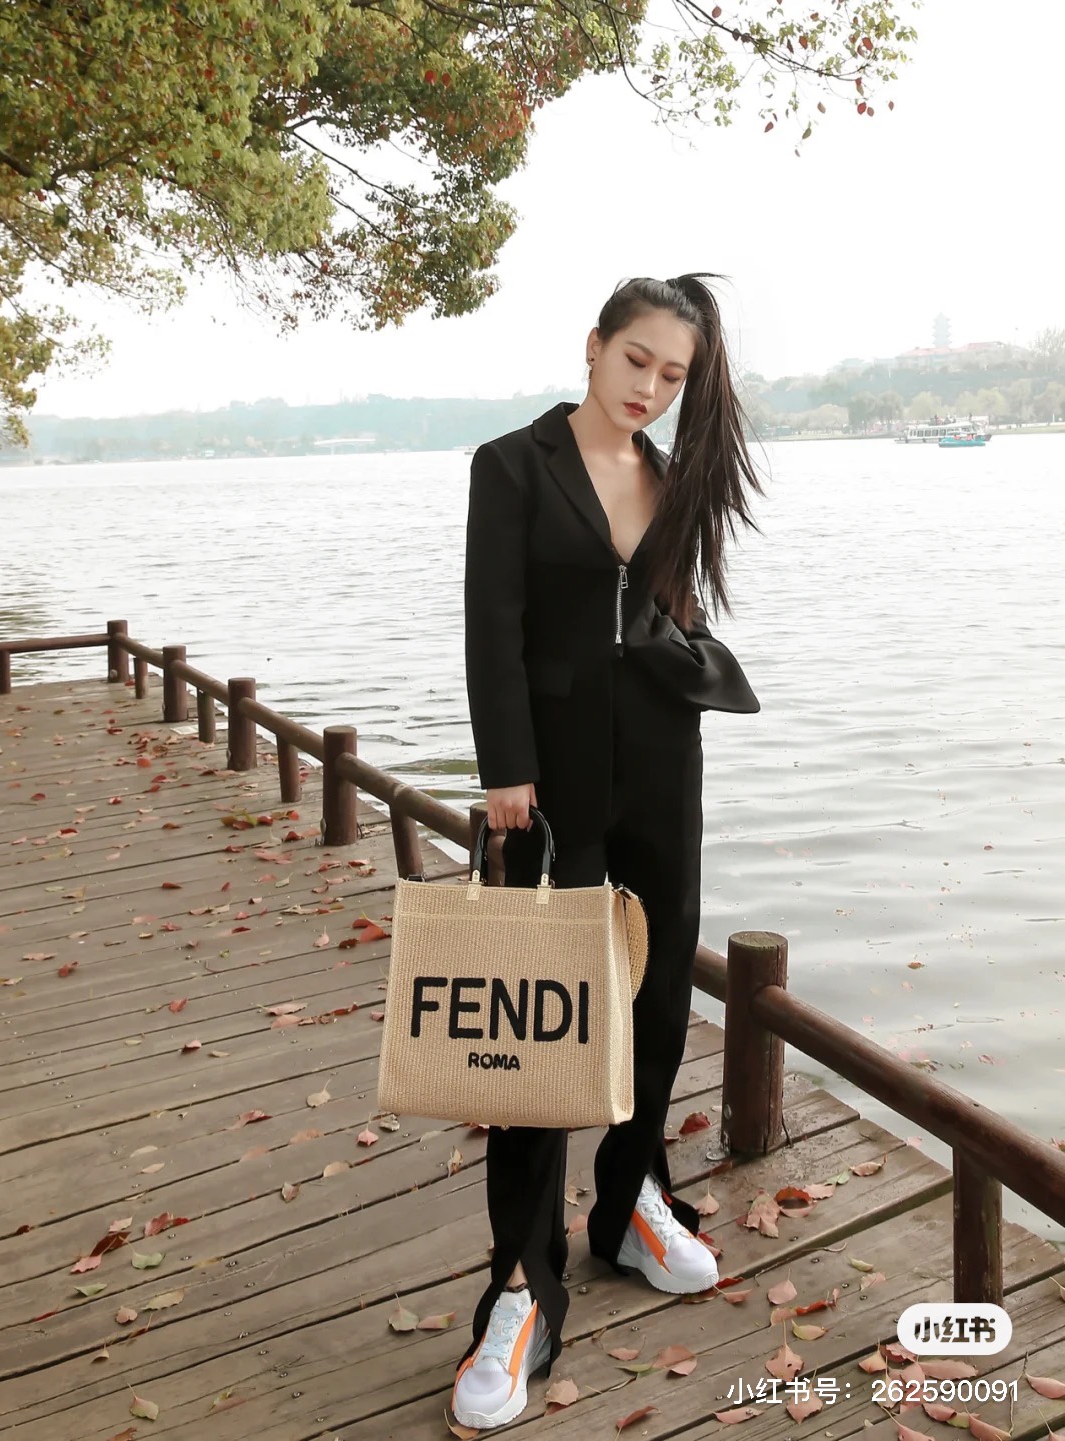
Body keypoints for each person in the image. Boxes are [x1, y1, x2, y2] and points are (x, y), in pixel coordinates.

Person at [453, 274, 763, 1431]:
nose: (650, 388)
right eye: (637, 361)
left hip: (665, 769)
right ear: (593, 347)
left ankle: (630, 1201)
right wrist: (505, 771)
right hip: (548, 789)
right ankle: (519, 1287)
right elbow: (492, 624)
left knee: (660, 998)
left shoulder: (673, 479)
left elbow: (671, 608)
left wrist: (687, 655)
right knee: (538, 1028)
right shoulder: (512, 467)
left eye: (673, 375)